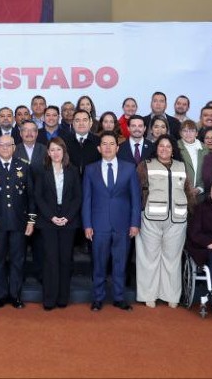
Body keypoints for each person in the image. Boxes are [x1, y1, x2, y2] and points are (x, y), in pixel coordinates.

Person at [82, 131, 141, 311]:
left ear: (117, 147)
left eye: (111, 144)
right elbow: (87, 200)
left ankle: (119, 297)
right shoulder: (90, 169)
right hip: (98, 225)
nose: (108, 147)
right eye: (104, 144)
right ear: (99, 148)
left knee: (120, 263)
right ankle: (98, 298)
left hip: (123, 225)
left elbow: (135, 199)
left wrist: (135, 223)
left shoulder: (130, 168)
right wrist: (87, 225)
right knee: (99, 263)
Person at [135, 136, 194, 308]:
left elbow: (189, 192)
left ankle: (171, 296)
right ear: (156, 147)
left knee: (172, 259)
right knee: (149, 258)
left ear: (173, 149)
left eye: (168, 146)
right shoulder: (145, 165)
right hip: (150, 219)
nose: (165, 149)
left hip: (177, 220)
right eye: (161, 146)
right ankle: (148, 295)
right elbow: (137, 190)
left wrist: (190, 214)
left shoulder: (181, 167)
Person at [0, 135, 36, 309]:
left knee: (18, 260)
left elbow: (31, 197)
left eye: (8, 145)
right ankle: (1, 296)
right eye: (1, 145)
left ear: (14, 147)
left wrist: (31, 220)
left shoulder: (24, 166)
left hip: (19, 221)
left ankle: (15, 295)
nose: (4, 148)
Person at [33, 138, 81, 310]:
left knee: (65, 260)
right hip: (48, 221)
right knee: (50, 259)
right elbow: (38, 197)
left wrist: (67, 217)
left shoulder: (73, 170)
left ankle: (63, 297)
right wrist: (52, 216)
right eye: (52, 150)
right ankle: (49, 298)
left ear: (64, 151)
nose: (55, 153)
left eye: (58, 149)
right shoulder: (41, 170)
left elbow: (78, 197)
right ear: (48, 152)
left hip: (69, 221)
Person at [178, 121, 207, 202]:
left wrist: (199, 188)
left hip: (200, 195)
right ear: (180, 133)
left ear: (196, 133)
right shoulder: (175, 148)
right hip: (180, 194)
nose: (188, 134)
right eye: (185, 131)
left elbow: (208, 173)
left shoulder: (205, 149)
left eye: (191, 131)